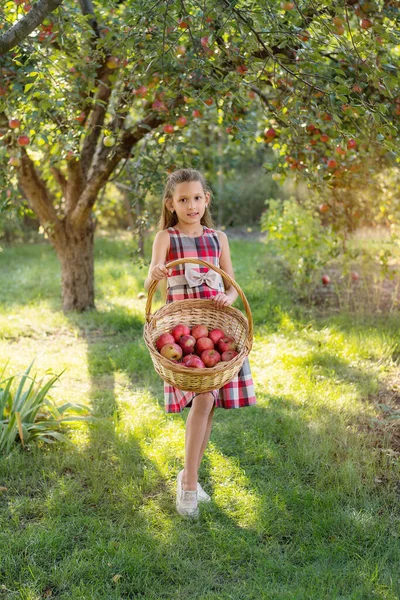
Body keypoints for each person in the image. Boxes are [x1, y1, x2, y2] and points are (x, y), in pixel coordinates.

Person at [144, 168, 256, 518]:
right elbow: (152, 274)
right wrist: (157, 274)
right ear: (171, 204)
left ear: (206, 199)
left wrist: (226, 297)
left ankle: (188, 475)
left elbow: (231, 286)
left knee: (208, 404)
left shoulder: (218, 238)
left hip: (216, 330)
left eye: (196, 198)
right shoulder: (167, 237)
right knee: (204, 400)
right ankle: (189, 484)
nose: (191, 205)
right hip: (183, 332)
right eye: (182, 199)